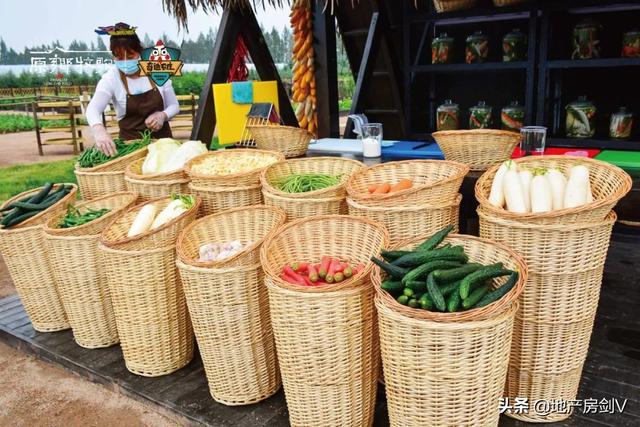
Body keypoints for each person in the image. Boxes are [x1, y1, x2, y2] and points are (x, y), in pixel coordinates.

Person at [86, 24, 179, 156]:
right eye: (119, 57)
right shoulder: (111, 78)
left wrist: (162, 116)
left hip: (163, 146)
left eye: (130, 56)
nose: (125, 62)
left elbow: (174, 105)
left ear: (139, 52)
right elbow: (93, 109)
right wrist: (99, 130)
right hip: (131, 150)